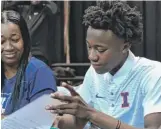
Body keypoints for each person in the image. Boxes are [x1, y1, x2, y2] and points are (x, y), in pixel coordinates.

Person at [46, 1, 161, 129]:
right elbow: (78, 123)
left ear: (125, 47)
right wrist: (57, 121)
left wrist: (92, 115)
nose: (92, 56)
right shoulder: (93, 73)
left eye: (100, 50)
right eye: (89, 47)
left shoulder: (152, 74)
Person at [1, 10, 57, 116]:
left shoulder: (40, 72)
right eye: (1, 42)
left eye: (15, 39)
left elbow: (43, 120)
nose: (8, 47)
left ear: (25, 40)